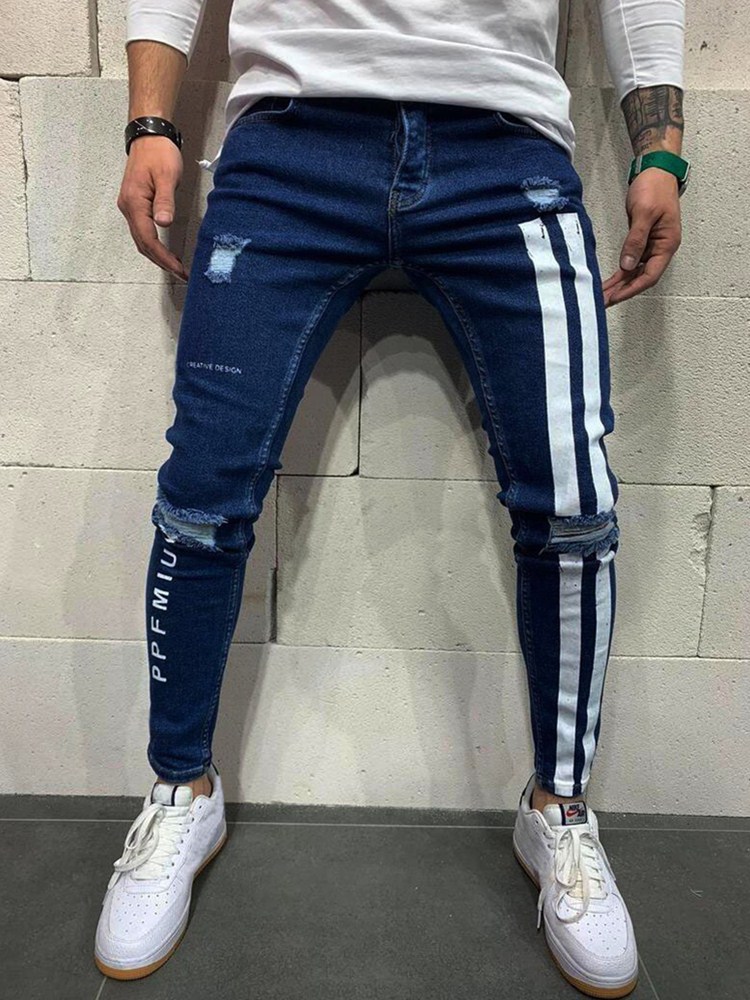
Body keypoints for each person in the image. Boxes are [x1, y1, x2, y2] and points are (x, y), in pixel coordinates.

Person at [95, 1, 687, 995]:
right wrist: (150, 121)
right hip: (290, 141)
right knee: (202, 496)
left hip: (503, 144)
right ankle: (181, 791)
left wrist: (660, 147)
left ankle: (561, 810)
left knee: (576, 506)